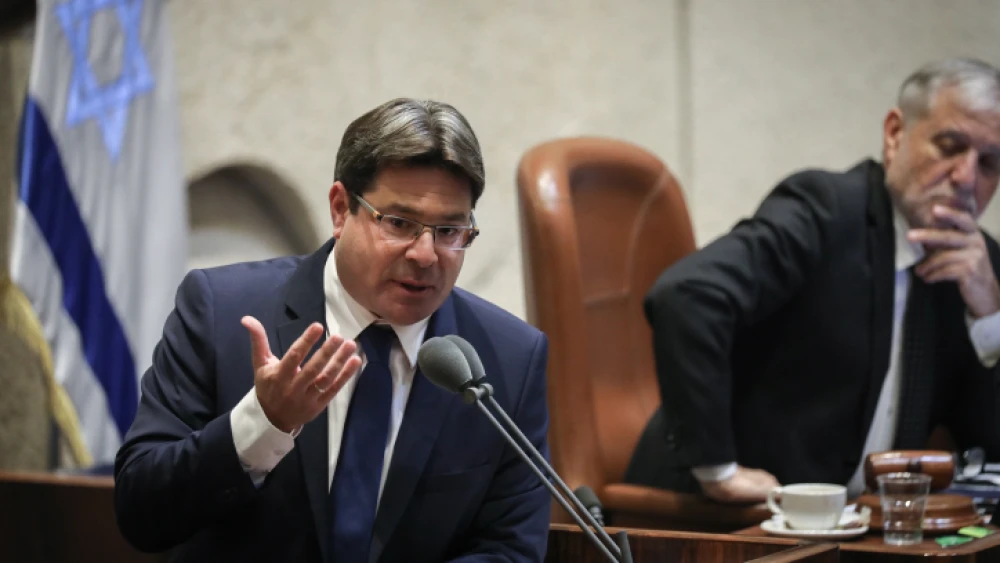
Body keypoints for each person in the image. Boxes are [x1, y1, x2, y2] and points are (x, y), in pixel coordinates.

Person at [114, 98, 552, 562]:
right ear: (341, 209)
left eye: (449, 231)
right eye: (400, 223)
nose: (426, 255)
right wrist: (262, 425)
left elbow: (510, 549)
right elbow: (142, 513)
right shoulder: (221, 312)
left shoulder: (508, 360)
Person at [625, 57, 1000, 504]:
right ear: (895, 134)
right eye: (949, 146)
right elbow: (688, 295)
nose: (966, 178)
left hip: (857, 532)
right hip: (720, 522)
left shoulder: (977, 266)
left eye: (990, 163)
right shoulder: (824, 211)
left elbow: (987, 452)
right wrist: (718, 471)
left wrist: (990, 317)